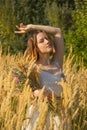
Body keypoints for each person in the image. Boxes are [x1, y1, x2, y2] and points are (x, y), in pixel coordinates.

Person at [15, 23, 66, 130]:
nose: (47, 41)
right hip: (38, 116)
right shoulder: (31, 68)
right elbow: (19, 92)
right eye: (41, 41)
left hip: (58, 116)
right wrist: (34, 93)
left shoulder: (57, 63)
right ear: (36, 47)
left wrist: (32, 27)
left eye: (47, 39)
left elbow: (57, 31)